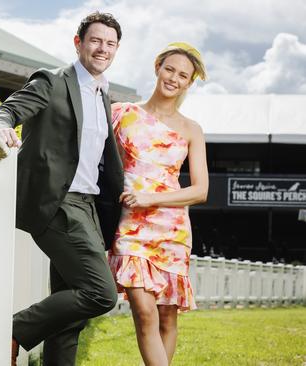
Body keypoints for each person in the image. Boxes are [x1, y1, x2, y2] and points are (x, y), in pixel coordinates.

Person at [0, 11, 124, 366]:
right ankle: (10, 330)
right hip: (58, 203)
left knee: (71, 310)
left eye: (110, 44)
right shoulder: (53, 82)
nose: (103, 49)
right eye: (95, 40)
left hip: (89, 206)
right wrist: (1, 126)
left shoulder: (102, 93)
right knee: (100, 293)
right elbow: (6, 111)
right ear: (78, 42)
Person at [108, 42, 209, 366]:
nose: (174, 78)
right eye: (170, 69)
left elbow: (200, 190)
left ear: (188, 83)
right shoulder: (121, 113)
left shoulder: (192, 129)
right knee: (144, 311)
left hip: (172, 231)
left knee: (167, 318)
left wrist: (151, 198)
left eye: (183, 75)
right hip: (130, 227)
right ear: (157, 67)